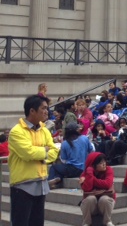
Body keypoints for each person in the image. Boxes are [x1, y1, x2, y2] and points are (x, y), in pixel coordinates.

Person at [8, 95, 59, 226]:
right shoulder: (16, 132)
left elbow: (54, 151)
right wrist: (44, 151)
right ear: (32, 111)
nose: (47, 111)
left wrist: (42, 156)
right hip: (22, 186)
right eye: (43, 108)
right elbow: (27, 153)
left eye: (47, 108)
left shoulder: (44, 130)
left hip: (41, 184)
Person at [48, 122, 94, 188]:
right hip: (84, 168)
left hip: (73, 169)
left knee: (54, 167)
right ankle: (57, 181)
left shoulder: (65, 143)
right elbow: (91, 151)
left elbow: (64, 160)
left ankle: (50, 181)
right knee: (61, 170)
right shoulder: (84, 138)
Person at [79, 152, 116, 226]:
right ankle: (86, 222)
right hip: (92, 205)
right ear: (94, 165)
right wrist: (90, 173)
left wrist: (93, 179)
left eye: (104, 161)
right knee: (90, 199)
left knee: (104, 199)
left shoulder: (109, 170)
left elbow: (107, 184)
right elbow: (87, 189)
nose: (104, 164)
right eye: (101, 162)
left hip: (105, 204)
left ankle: (107, 221)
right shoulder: (86, 173)